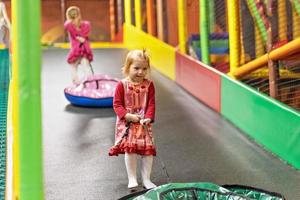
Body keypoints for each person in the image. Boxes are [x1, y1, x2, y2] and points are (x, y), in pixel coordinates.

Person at [109, 50, 157, 190]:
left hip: (143, 124)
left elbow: (151, 103)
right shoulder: (122, 85)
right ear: (127, 67)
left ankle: (147, 179)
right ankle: (132, 178)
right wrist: (127, 115)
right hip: (128, 124)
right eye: (136, 68)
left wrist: (148, 117)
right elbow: (117, 104)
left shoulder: (149, 85)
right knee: (131, 150)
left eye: (144, 68)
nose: (141, 72)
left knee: (147, 151)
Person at [64, 6, 93, 85]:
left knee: (73, 67)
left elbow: (67, 24)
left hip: (76, 51)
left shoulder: (70, 26)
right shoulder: (85, 26)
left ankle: (76, 83)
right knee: (86, 67)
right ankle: (90, 82)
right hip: (84, 50)